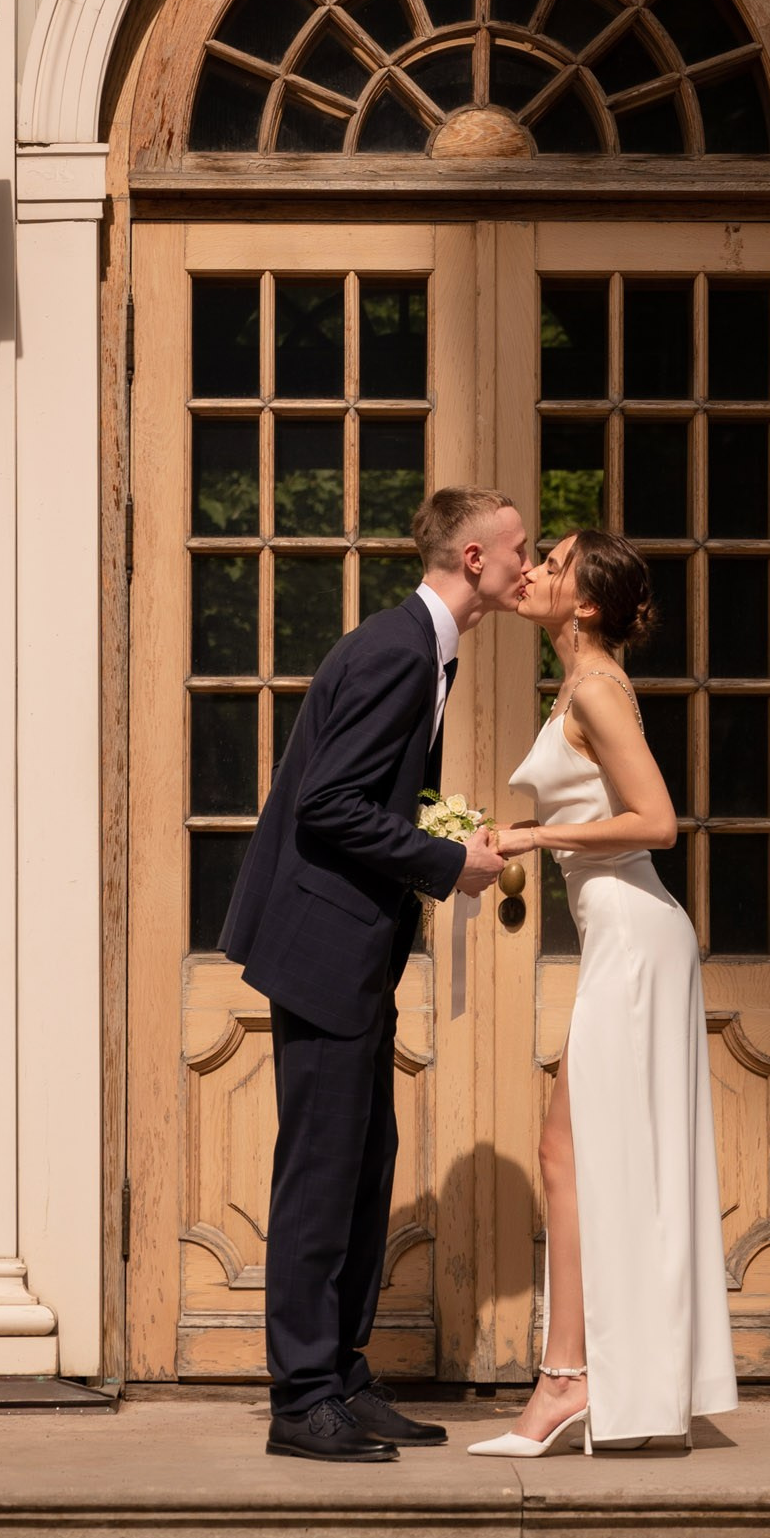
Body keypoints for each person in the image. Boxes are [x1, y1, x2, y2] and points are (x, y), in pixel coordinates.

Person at [221, 485, 528, 1463]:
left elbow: (362, 799)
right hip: (319, 952)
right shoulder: (397, 650)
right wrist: (448, 862)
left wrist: (435, 830)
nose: (529, 562)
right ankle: (299, 1394)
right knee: (322, 1175)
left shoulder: (420, 649)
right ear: (472, 559)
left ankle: (342, 1373)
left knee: (363, 1168)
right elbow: (326, 806)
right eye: (518, 547)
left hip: (350, 954)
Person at [471, 529, 738, 1457]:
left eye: (554, 563)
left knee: (567, 1154)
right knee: (576, 1157)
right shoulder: (582, 683)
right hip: (622, 935)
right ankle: (587, 1378)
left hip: (634, 936)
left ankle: (568, 1381)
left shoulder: (592, 685)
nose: (535, 570)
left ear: (583, 604)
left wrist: (534, 840)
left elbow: (657, 821)